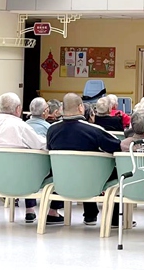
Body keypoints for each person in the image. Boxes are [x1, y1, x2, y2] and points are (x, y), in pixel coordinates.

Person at [0, 93, 63, 225]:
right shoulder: (21, 127)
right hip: (26, 180)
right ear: (18, 109)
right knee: (58, 171)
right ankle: (52, 212)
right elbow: (42, 145)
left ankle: (30, 209)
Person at [47, 93, 122, 227]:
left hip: (61, 180)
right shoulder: (94, 130)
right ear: (81, 107)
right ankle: (115, 219)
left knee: (82, 169)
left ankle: (90, 215)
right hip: (91, 182)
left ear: (62, 108)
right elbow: (117, 147)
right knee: (118, 172)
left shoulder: (51, 130)